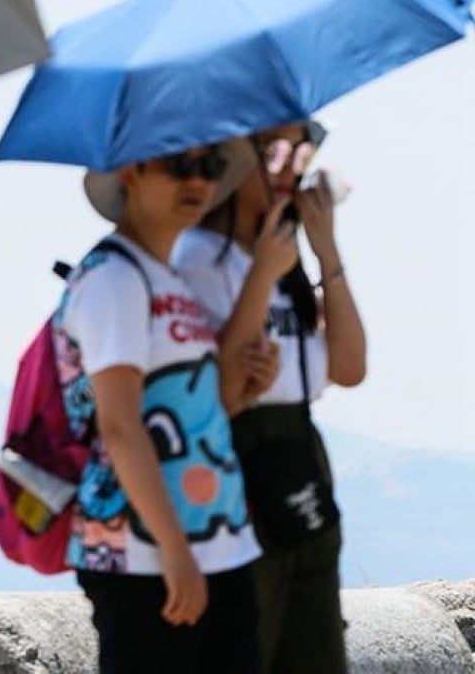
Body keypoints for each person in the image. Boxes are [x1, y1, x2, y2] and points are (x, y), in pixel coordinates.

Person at [57, 141, 275, 673]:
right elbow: (119, 425)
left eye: (210, 167)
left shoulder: (164, 276)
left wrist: (243, 390)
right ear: (131, 171)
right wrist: (175, 552)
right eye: (180, 165)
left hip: (218, 544)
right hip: (144, 554)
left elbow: (191, 406)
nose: (197, 181)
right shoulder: (114, 279)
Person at [173, 121, 366, 674]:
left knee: (315, 647)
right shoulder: (200, 258)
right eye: (273, 151)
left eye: (299, 151)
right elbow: (212, 389)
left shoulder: (287, 262)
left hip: (300, 452)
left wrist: (324, 245)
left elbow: (349, 368)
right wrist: (262, 275)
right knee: (246, 644)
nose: (289, 167)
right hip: (234, 454)